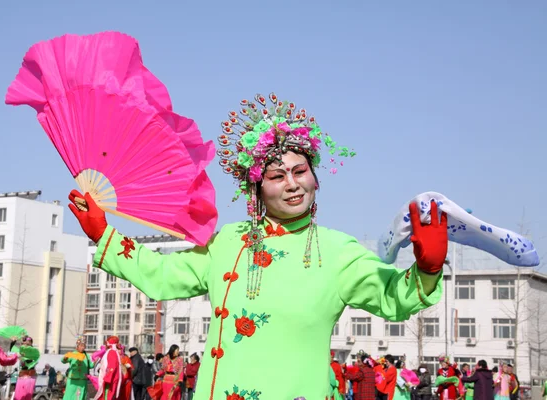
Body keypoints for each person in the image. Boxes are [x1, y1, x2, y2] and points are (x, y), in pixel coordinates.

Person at [68, 92, 448, 399]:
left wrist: (427, 269)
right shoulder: (227, 243)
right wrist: (106, 236)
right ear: (257, 189)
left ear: (316, 179)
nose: (292, 183)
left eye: (301, 172)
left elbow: (392, 296)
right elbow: (164, 275)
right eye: (277, 176)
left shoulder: (338, 252)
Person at [94, 336, 123, 400]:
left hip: (110, 380)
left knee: (107, 397)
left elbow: (112, 366)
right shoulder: (113, 352)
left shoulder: (111, 352)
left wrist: (107, 378)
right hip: (112, 379)